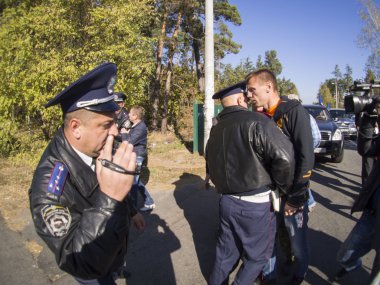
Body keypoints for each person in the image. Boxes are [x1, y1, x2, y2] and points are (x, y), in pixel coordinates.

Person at [29, 62, 145, 285]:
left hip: (111, 253)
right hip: (93, 270)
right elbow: (77, 259)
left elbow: (113, 182)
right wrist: (111, 199)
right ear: (76, 128)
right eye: (106, 124)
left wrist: (130, 210)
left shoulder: (96, 144)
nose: (115, 131)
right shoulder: (50, 188)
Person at [206, 82, 295, 285]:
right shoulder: (257, 121)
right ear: (240, 100)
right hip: (256, 205)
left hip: (226, 202)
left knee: (225, 255)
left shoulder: (216, 128)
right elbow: (285, 159)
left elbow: (210, 159)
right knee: (257, 257)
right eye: (246, 97)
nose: (248, 99)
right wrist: (282, 187)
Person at [246, 69, 315, 285]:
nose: (249, 94)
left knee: (297, 242)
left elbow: (306, 156)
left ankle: (299, 274)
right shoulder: (259, 115)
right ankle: (270, 275)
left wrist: (296, 197)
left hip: (292, 191)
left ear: (268, 87)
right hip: (267, 191)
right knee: (269, 238)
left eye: (252, 89)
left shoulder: (294, 112)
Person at [334, 100, 380, 283]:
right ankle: (352, 265)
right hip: (372, 213)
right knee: (344, 256)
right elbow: (366, 149)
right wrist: (369, 118)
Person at [121, 105, 156, 211]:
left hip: (138, 156)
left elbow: (129, 141)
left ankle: (133, 209)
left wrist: (124, 134)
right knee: (137, 180)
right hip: (134, 154)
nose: (128, 115)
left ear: (135, 116)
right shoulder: (134, 125)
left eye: (130, 114)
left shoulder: (140, 127)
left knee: (133, 182)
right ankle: (149, 202)